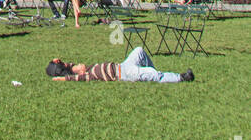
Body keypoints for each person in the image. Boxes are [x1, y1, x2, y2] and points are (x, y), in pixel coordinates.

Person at [47, 49, 194, 83]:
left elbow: (68, 65)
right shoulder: (86, 75)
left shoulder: (85, 68)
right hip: (124, 74)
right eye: (77, 67)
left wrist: (57, 61)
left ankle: (153, 73)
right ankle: (182, 77)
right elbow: (72, 78)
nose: (80, 65)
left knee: (139, 51)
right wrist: (61, 79)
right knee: (152, 74)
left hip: (123, 65)